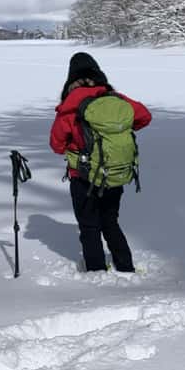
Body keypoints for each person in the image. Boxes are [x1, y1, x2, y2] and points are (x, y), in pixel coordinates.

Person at [50, 52, 151, 272]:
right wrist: (119, 129)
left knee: (89, 225)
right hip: (115, 173)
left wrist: (77, 145)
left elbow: (57, 145)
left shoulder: (70, 105)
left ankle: (96, 271)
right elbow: (144, 116)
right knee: (110, 221)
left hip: (83, 176)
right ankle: (125, 265)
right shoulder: (116, 99)